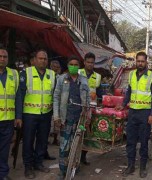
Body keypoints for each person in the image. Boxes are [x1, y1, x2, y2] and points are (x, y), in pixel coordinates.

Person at [116, 51, 152, 178]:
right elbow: (129, 92)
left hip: (145, 113)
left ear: (146, 62)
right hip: (133, 112)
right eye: (138, 61)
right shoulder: (131, 75)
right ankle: (130, 166)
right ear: (136, 61)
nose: (140, 63)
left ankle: (143, 167)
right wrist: (123, 104)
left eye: (142, 61)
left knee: (144, 141)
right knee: (130, 141)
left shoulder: (151, 76)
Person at [17, 49, 56, 179]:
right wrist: (19, 115)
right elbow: (20, 95)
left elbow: (54, 95)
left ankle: (38, 163)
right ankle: (28, 166)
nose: (43, 61)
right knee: (28, 141)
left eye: (45, 59)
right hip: (29, 114)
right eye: (40, 58)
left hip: (46, 113)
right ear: (35, 60)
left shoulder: (52, 74)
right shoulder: (26, 73)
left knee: (42, 140)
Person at [53, 56, 90, 179]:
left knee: (78, 144)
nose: (73, 66)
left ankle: (75, 165)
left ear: (79, 66)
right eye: (71, 64)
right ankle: (63, 171)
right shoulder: (61, 79)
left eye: (76, 64)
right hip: (66, 118)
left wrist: (88, 115)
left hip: (80, 117)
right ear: (68, 65)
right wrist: (56, 116)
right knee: (64, 146)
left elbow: (87, 99)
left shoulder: (84, 80)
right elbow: (56, 98)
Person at [0, 47, 22, 180]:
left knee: (4, 149)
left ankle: (3, 174)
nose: (2, 59)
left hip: (8, 119)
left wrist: (18, 116)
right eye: (0, 56)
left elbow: (18, 97)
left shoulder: (14, 74)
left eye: (5, 57)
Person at [78, 52, 103, 165]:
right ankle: (74, 155)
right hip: (78, 107)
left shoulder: (97, 77)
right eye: (88, 62)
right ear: (84, 62)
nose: (90, 64)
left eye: (92, 63)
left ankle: (83, 156)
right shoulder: (78, 73)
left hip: (91, 109)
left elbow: (99, 93)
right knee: (76, 132)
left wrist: (102, 102)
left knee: (88, 133)